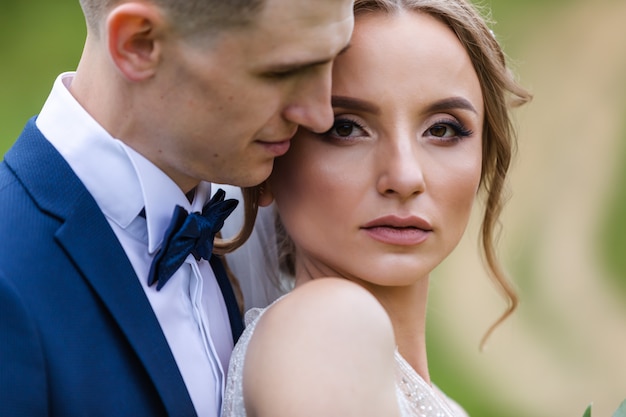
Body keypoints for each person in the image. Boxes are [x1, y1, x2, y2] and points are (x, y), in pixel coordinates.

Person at [0, 0, 354, 415]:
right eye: (282, 71)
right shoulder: (12, 279)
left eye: (333, 58)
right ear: (139, 43)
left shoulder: (256, 226)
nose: (319, 114)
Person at [221, 0, 532, 415]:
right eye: (346, 128)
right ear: (271, 156)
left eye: (442, 129)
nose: (404, 178)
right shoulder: (325, 329)